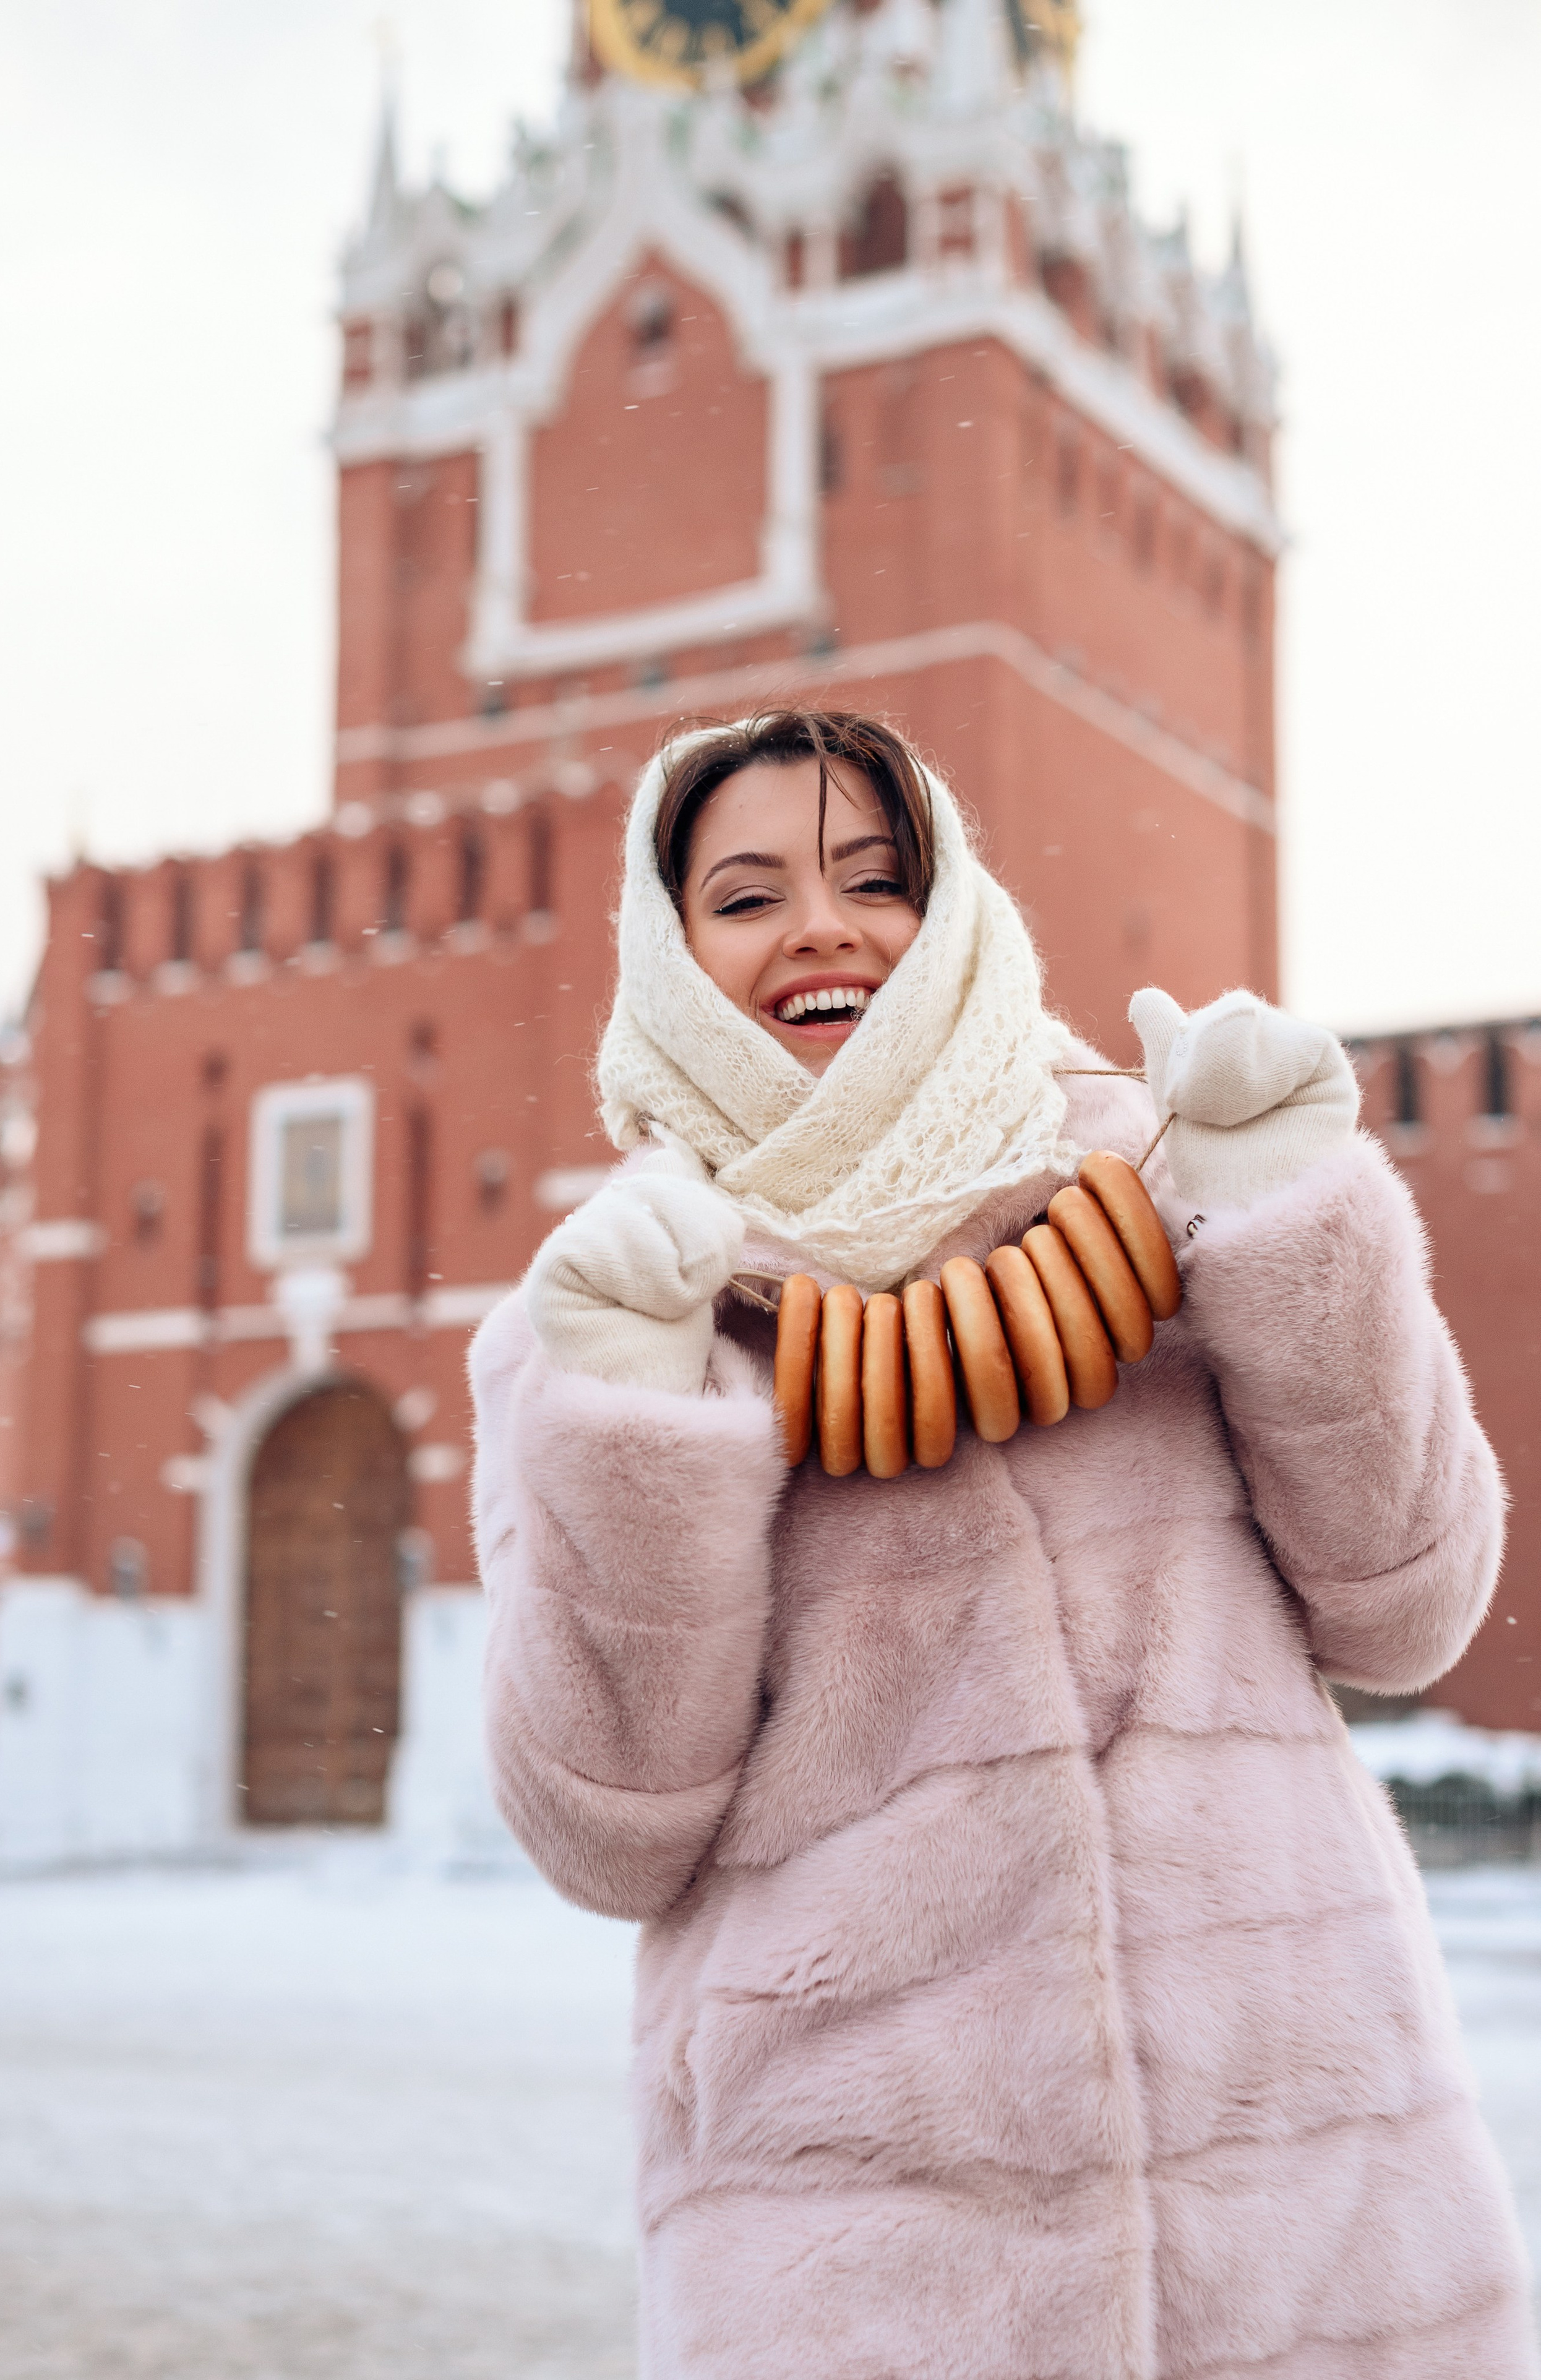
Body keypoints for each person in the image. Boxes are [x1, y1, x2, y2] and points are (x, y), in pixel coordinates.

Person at [471, 710, 1536, 2379]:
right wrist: (630, 1421)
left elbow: (1412, 1607)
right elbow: (609, 1834)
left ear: (951, 903)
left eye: (874, 878)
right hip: (860, 2251)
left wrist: (1289, 1220)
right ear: (669, 956)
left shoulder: (1161, 1185)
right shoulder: (611, 1317)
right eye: (745, 897)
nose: (820, 927)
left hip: (1307, 2200)